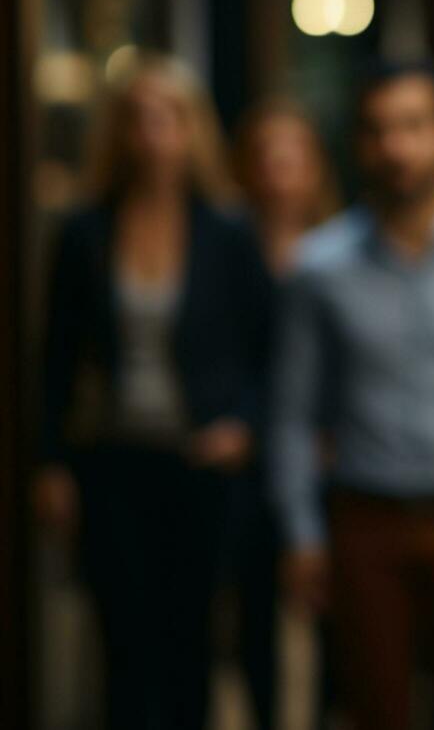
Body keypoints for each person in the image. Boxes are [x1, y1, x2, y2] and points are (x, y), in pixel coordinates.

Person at [269, 63, 434, 730]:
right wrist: (301, 534)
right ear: (358, 144)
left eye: (415, 126)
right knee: (374, 709)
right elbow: (292, 414)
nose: (397, 147)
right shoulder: (318, 268)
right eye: (378, 130)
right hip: (366, 520)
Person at [35, 52, 273, 729]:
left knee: (191, 641)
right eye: (136, 118)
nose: (151, 134)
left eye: (167, 117)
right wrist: (50, 461)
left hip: (199, 460)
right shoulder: (86, 231)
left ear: (190, 128)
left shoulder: (225, 230)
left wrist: (243, 426)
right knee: (123, 641)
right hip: (112, 456)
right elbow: (54, 357)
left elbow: (268, 351)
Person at [232, 97, 341, 729]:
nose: (277, 169)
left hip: (328, 455)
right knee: (252, 613)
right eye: (264, 156)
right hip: (247, 456)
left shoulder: (341, 248)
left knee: (332, 618)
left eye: (291, 155)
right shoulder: (226, 243)